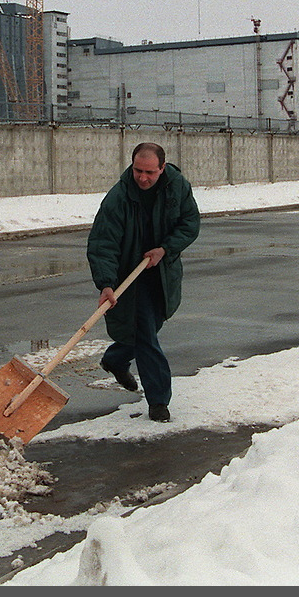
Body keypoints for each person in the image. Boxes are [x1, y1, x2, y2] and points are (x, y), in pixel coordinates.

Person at [87, 141, 200, 422]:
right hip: (128, 274)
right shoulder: (119, 197)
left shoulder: (178, 187)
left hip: (161, 271)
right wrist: (106, 283)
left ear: (162, 168)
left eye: (150, 172)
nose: (143, 178)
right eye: (138, 171)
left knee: (151, 324)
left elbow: (189, 223)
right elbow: (103, 243)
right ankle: (159, 400)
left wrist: (165, 249)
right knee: (147, 335)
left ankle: (115, 359)